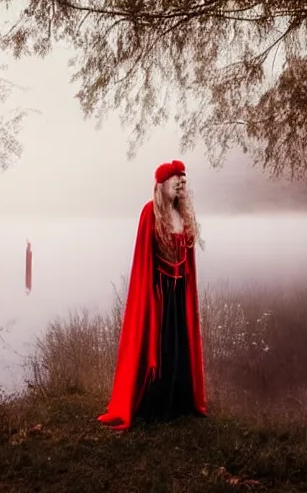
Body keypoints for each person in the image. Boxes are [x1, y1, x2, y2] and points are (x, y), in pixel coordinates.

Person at [97, 160, 207, 430]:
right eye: (175, 180)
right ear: (162, 185)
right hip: (158, 292)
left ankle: (179, 403)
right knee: (161, 346)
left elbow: (187, 259)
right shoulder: (151, 213)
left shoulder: (183, 213)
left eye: (183, 180)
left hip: (180, 291)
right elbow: (144, 260)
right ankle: (155, 406)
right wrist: (151, 295)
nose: (181, 184)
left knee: (180, 344)